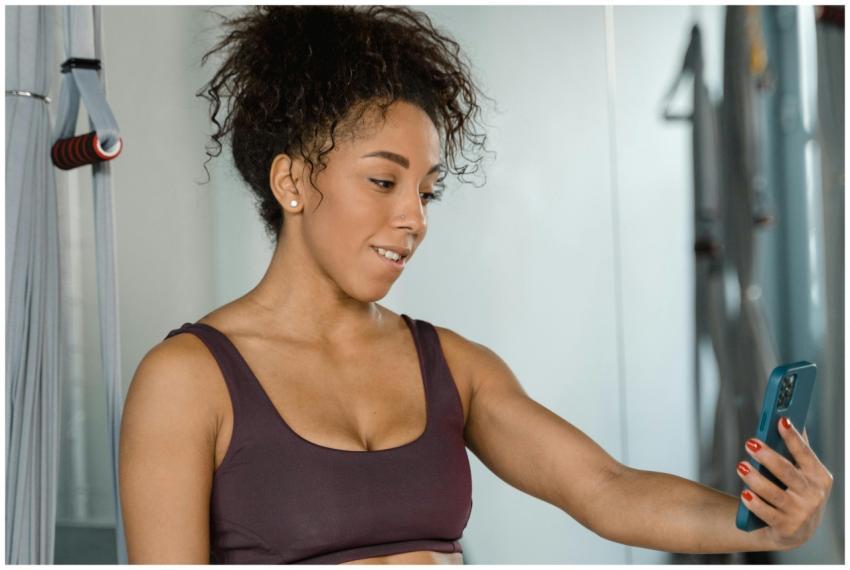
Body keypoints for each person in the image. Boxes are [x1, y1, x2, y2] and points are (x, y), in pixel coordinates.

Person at [118, 5, 833, 565]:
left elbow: (606, 490)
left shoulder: (454, 368)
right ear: (293, 181)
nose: (413, 218)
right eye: (383, 181)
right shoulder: (188, 381)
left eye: (427, 192)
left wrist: (764, 522)